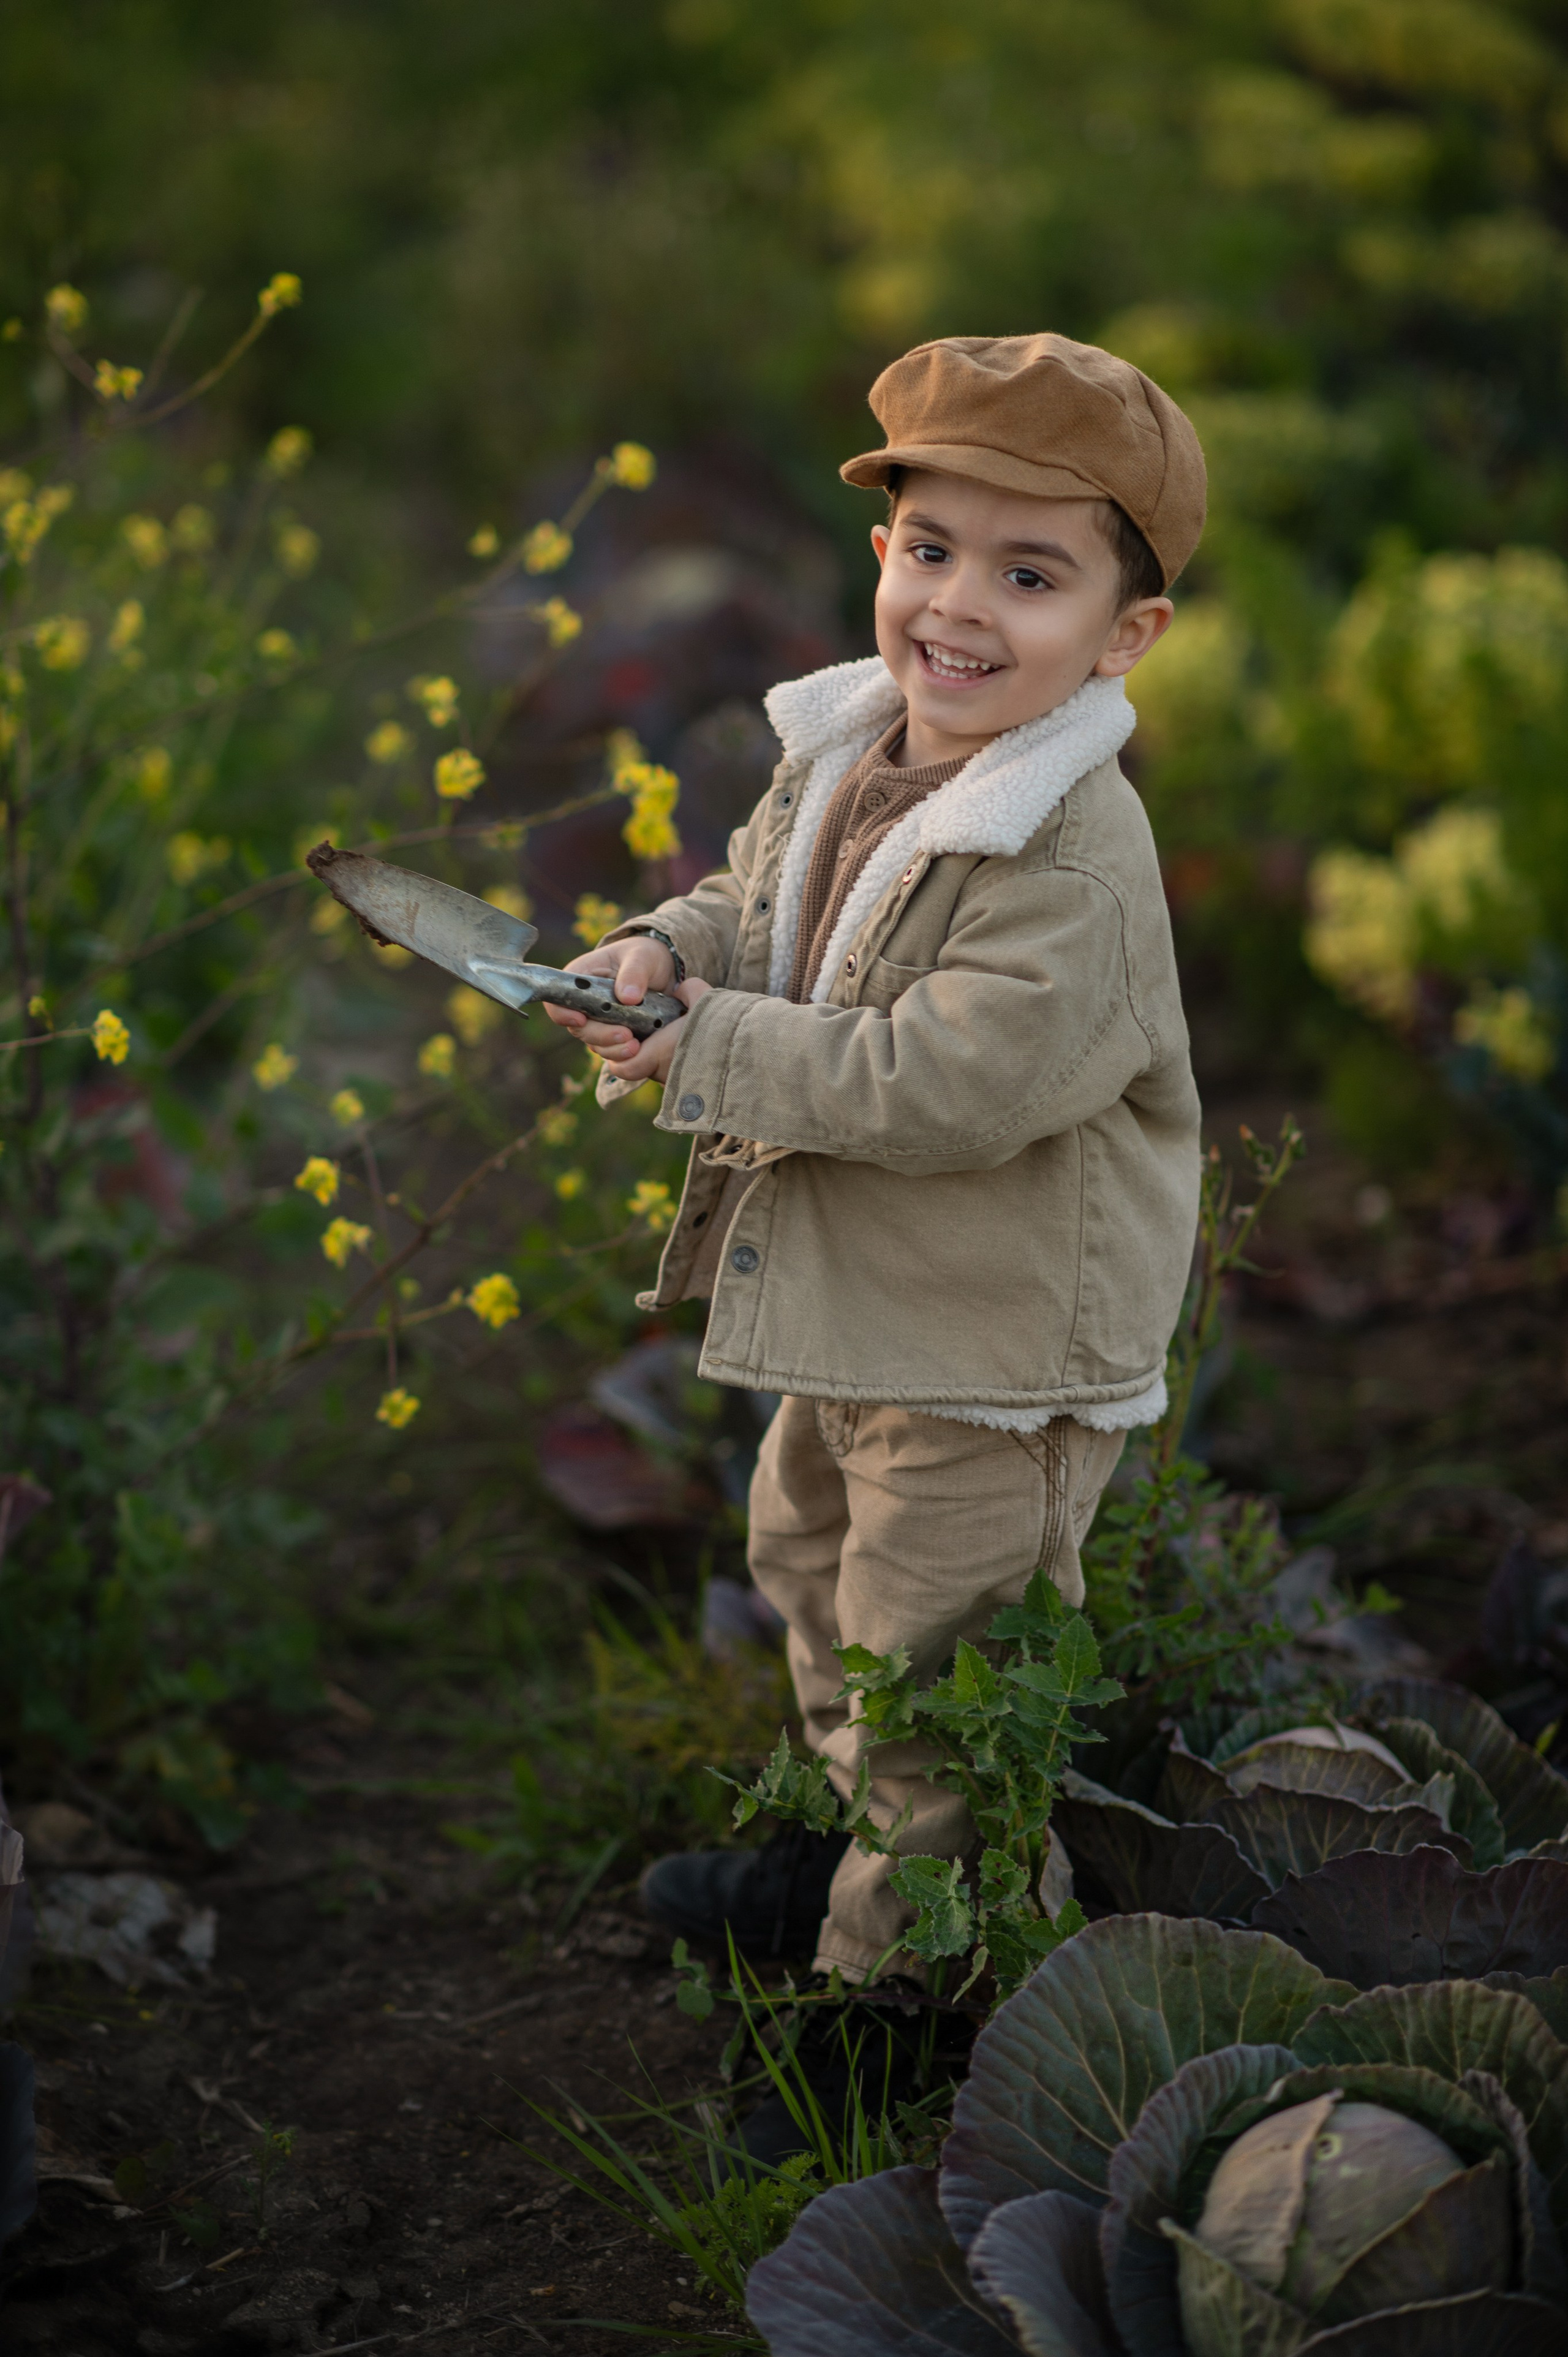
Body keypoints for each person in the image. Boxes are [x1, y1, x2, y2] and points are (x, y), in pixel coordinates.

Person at [544, 332, 1204, 2144]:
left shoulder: (1068, 852)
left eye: (1032, 574)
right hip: (863, 1305)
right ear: (884, 550)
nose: (960, 609)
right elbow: (760, 903)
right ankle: (850, 1851)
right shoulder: (851, 747)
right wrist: (663, 954)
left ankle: (913, 1992)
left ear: (1124, 636)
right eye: (931, 549)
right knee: (816, 1571)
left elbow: (949, 1086)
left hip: (993, 1346)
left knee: (942, 1660)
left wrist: (711, 1050)